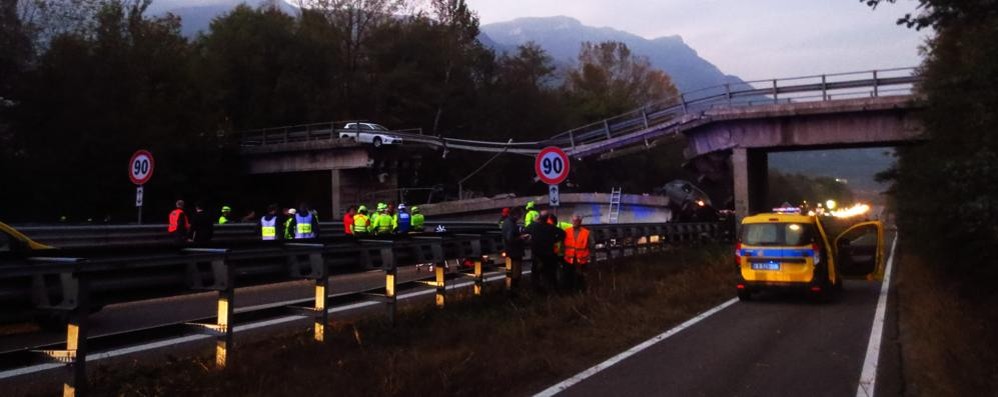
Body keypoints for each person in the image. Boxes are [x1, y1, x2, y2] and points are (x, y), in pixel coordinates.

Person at [526, 213, 565, 289]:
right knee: (550, 274)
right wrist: (555, 240)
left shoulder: (533, 226)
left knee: (536, 273)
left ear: (539, 218)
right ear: (547, 219)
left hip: (536, 254)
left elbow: (524, 231)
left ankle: (536, 290)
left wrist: (531, 241)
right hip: (549, 254)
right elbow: (563, 233)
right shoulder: (551, 227)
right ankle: (552, 290)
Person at [562, 214, 595, 290]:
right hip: (569, 258)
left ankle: (580, 292)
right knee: (568, 276)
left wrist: (591, 256)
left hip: (581, 259)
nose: (575, 222)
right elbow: (563, 244)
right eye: (573, 220)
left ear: (580, 222)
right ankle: (569, 292)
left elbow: (592, 245)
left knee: (581, 277)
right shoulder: (567, 231)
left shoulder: (587, 232)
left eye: (576, 221)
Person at [502, 207, 528, 288]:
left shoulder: (506, 222)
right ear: (516, 215)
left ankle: (510, 289)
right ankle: (513, 291)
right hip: (515, 252)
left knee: (511, 272)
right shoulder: (511, 224)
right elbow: (510, 238)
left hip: (509, 251)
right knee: (516, 273)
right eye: (520, 215)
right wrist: (521, 237)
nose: (520, 217)